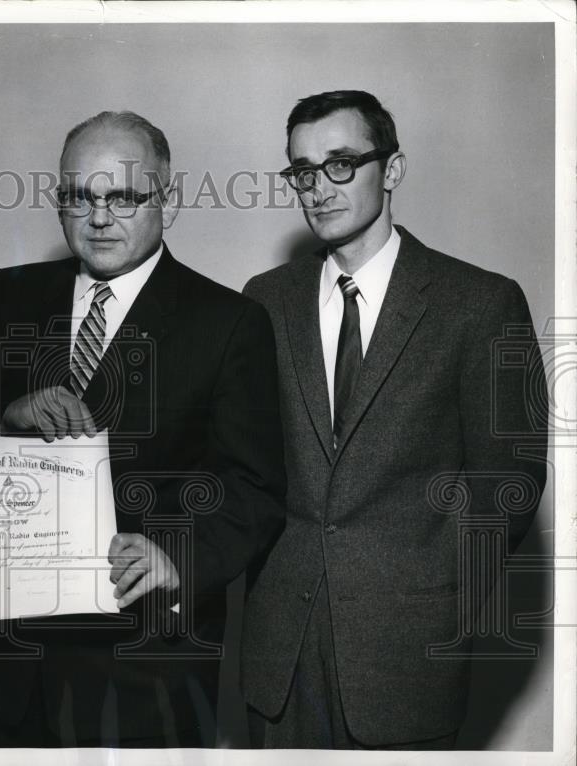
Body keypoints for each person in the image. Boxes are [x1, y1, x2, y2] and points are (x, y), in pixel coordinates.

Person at [0, 110, 287, 748]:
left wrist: (178, 557)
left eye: (123, 196)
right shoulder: (8, 295)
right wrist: (8, 411)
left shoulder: (230, 322)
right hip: (16, 650)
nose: (99, 217)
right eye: (79, 197)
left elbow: (254, 489)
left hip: (150, 658)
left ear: (167, 204)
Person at [242, 90, 548, 749]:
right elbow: (248, 464)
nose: (318, 188)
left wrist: (437, 606)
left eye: (341, 164)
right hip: (281, 657)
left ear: (394, 170)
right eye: (302, 170)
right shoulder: (265, 300)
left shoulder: (480, 302)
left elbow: (509, 485)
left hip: (406, 655)